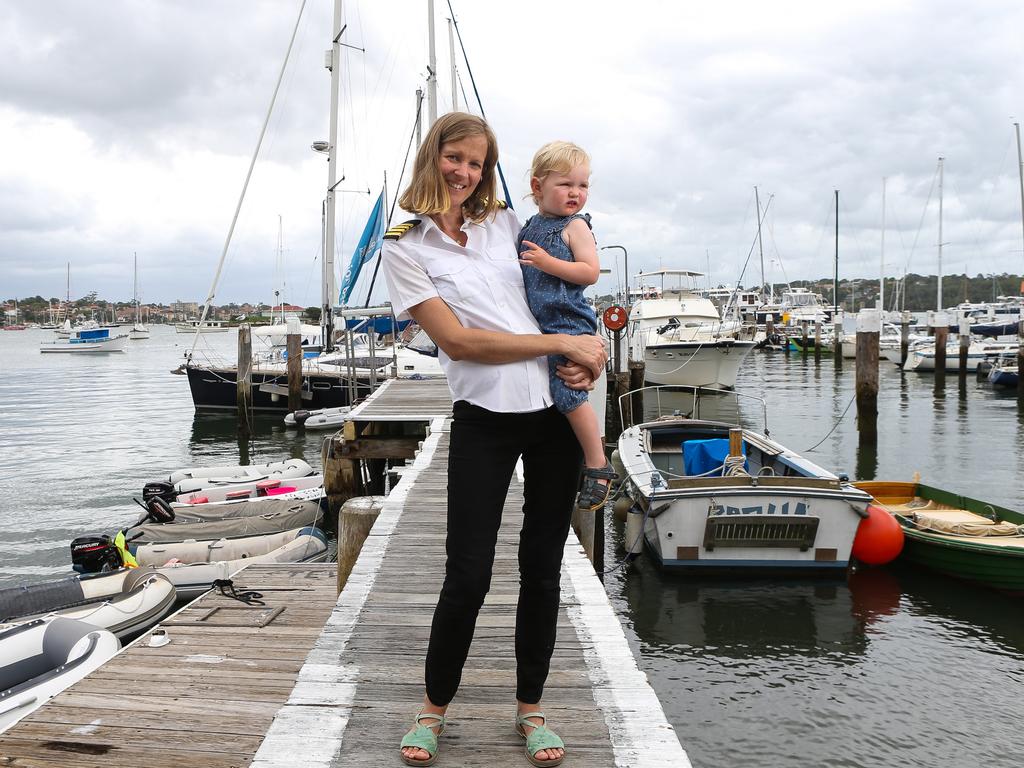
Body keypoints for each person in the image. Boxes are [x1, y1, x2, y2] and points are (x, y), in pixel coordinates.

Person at [382, 112, 607, 768]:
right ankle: (432, 710)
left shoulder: (510, 224)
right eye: (455, 158)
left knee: (542, 571)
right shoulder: (405, 246)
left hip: (552, 417)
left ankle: (531, 708)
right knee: (467, 574)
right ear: (433, 157)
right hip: (482, 417)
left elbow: (569, 295)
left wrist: (587, 351)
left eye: (477, 163)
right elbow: (456, 341)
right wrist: (561, 343)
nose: (465, 173)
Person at [517, 141, 615, 511]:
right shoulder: (531, 224)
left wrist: (547, 264)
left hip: (567, 321)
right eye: (566, 185)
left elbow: (589, 272)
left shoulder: (575, 228)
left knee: (569, 394)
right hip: (541, 327)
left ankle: (597, 463)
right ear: (538, 187)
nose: (576, 193)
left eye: (583, 185)